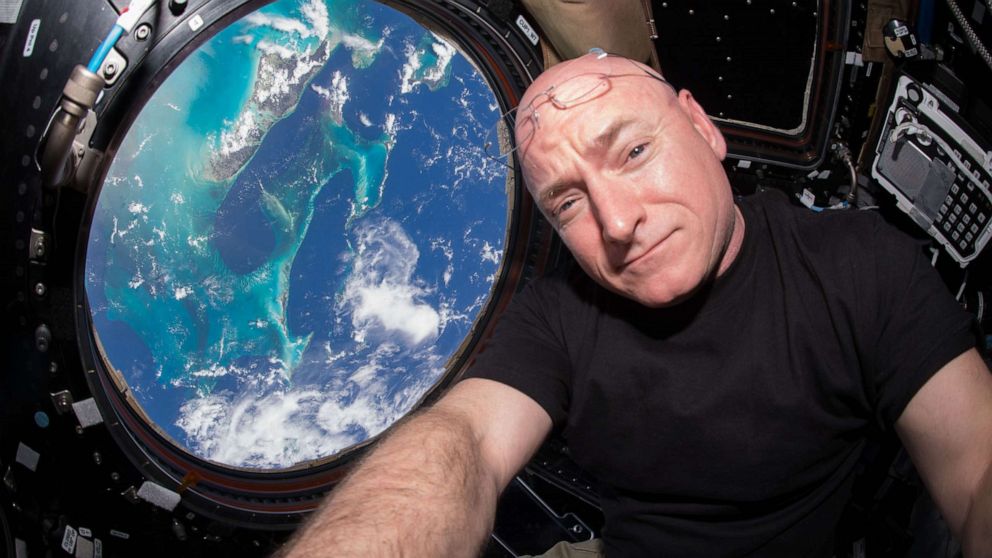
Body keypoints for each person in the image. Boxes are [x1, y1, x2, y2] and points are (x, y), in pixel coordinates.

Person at [280, 52, 992, 557]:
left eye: (632, 152)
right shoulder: (556, 321)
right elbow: (460, 445)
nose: (618, 222)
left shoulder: (858, 267)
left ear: (703, 128)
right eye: (568, 199)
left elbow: (975, 472)